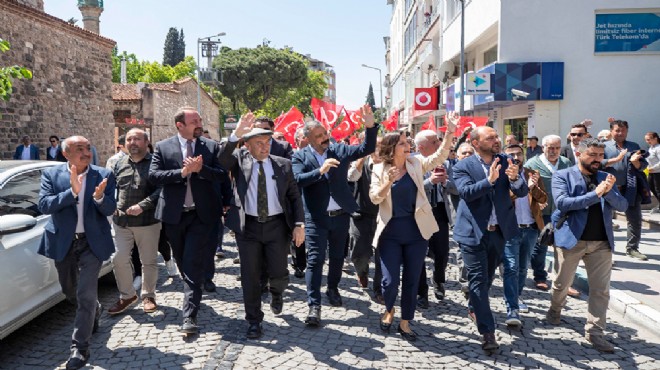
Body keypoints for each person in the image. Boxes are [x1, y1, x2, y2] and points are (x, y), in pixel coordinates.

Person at [218, 114, 305, 339]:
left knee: (279, 273)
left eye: (267, 142)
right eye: (259, 143)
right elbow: (221, 160)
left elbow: (295, 197)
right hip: (249, 228)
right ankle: (254, 320)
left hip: (277, 227)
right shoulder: (239, 160)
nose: (265, 147)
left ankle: (277, 293)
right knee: (251, 276)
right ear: (247, 145)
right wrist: (235, 134)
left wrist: (298, 225)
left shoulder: (283, 165)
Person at [369, 116, 456, 342]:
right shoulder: (379, 168)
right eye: (402, 143)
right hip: (390, 233)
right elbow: (374, 198)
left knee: (411, 279)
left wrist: (449, 134)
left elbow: (439, 156)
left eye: (408, 143)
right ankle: (389, 310)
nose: (408, 146)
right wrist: (388, 181)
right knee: (389, 282)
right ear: (392, 148)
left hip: (416, 232)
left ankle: (406, 322)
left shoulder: (416, 163)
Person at [292, 104, 378, 327]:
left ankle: (332, 288)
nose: (324, 138)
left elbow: (366, 148)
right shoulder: (299, 157)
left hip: (340, 215)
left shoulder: (338, 150)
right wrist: (320, 171)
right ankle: (314, 305)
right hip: (315, 217)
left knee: (338, 257)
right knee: (315, 260)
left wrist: (369, 124)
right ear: (308, 138)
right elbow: (298, 180)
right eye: (318, 135)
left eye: (325, 133)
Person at [37, 136, 116, 369]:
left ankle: (79, 349)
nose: (86, 152)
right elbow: (43, 205)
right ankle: (95, 310)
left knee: (85, 295)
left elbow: (111, 208)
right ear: (66, 154)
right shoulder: (52, 175)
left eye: (88, 148)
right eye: (79, 149)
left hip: (91, 243)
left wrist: (100, 197)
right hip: (64, 242)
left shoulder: (103, 175)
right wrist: (71, 192)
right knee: (69, 289)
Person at [148, 107, 226, 334]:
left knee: (192, 264)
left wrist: (202, 169)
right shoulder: (163, 147)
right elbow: (153, 177)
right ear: (180, 125)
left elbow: (222, 176)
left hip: (201, 216)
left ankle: (189, 317)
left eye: (199, 119)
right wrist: (182, 173)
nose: (199, 123)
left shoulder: (210, 146)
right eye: (194, 120)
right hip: (174, 216)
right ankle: (193, 286)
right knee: (182, 261)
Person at [547, 138, 628, 353]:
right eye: (592, 155)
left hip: (601, 243)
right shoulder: (562, 175)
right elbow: (563, 203)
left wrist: (609, 191)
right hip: (572, 240)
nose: (597, 160)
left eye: (600, 155)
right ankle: (555, 310)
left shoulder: (605, 177)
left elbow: (623, 205)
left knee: (601, 290)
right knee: (562, 283)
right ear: (580, 154)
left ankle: (595, 332)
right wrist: (596, 193)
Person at [452, 126, 528, 351]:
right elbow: (466, 193)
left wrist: (515, 180)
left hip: (499, 232)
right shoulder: (463, 165)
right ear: (476, 143)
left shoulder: (507, 161)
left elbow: (522, 191)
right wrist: (489, 181)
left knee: (486, 278)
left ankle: (475, 305)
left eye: (497, 137)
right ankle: (488, 332)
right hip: (472, 232)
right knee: (477, 279)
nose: (497, 140)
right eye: (491, 138)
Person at [108, 128, 162, 316]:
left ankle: (148, 295)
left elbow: (162, 190)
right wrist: (110, 204)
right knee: (118, 258)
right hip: (121, 221)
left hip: (148, 221)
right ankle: (127, 296)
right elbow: (110, 188)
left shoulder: (156, 163)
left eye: (137, 139)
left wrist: (143, 205)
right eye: (129, 139)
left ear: (147, 142)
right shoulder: (118, 163)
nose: (132, 142)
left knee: (148, 261)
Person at [501, 144, 547, 324]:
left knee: (522, 266)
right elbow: (503, 199)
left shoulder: (532, 173)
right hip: (511, 228)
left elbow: (544, 199)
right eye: (511, 154)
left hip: (531, 227)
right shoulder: (502, 174)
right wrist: (524, 188)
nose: (515, 157)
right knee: (511, 267)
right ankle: (511, 304)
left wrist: (533, 187)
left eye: (518, 153)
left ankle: (517, 297)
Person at [524, 135, 573, 293]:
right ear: (543, 147)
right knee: (541, 245)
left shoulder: (566, 163)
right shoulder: (532, 164)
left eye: (557, 148)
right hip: (542, 213)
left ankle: (564, 282)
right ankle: (540, 276)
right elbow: (525, 188)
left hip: (562, 212)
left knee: (564, 247)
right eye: (550, 147)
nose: (553, 151)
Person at [413, 130, 457, 308]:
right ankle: (421, 292)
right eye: (434, 142)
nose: (439, 144)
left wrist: (445, 182)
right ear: (421, 147)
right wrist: (430, 181)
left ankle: (438, 280)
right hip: (420, 212)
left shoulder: (447, 163)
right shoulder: (412, 162)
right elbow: (410, 189)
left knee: (442, 252)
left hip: (439, 211)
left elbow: (457, 188)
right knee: (419, 254)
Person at [603, 119, 648, 260]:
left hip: (630, 188)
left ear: (627, 131)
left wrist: (636, 162)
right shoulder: (603, 146)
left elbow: (642, 166)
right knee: (604, 219)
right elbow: (598, 163)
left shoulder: (633, 146)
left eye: (623, 130)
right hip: (609, 189)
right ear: (611, 131)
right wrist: (616, 159)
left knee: (635, 220)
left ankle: (632, 248)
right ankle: (605, 250)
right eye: (617, 130)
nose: (620, 133)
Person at [347, 137, 383, 302]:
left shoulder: (389, 164)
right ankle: (361, 271)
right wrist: (361, 158)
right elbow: (352, 177)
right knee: (359, 253)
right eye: (376, 146)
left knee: (383, 255)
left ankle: (379, 289)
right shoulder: (360, 162)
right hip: (361, 214)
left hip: (383, 216)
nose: (380, 150)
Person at [645, 132, 660, 213]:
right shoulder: (651, 148)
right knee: (651, 187)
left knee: (658, 189)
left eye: (649, 139)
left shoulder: (658, 148)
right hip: (652, 172)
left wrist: (653, 168)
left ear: (655, 139)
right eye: (646, 140)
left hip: (658, 172)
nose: (647, 141)